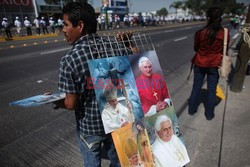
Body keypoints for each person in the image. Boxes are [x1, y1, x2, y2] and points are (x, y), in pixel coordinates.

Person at [55, 2, 134, 167]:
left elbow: (71, 103)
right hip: (117, 120)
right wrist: (128, 43)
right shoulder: (115, 47)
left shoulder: (70, 60)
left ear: (80, 26)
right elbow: (133, 60)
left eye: (65, 24)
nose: (63, 29)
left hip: (90, 127)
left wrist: (56, 102)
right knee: (119, 160)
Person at [188, 7, 230, 120]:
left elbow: (196, 48)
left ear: (208, 18)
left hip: (200, 63)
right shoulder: (224, 33)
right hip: (214, 64)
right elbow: (225, 49)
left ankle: (192, 110)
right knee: (212, 90)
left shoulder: (200, 33)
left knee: (196, 87)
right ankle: (209, 114)